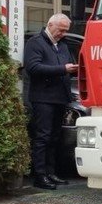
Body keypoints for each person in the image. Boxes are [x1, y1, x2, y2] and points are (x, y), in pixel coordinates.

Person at [24, 13, 79, 190]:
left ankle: (51, 173)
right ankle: (40, 175)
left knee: (54, 137)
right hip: (43, 98)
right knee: (42, 137)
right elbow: (33, 67)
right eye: (61, 30)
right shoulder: (35, 43)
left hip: (60, 98)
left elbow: (69, 64)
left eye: (65, 31)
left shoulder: (62, 45)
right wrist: (62, 69)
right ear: (50, 24)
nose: (63, 34)